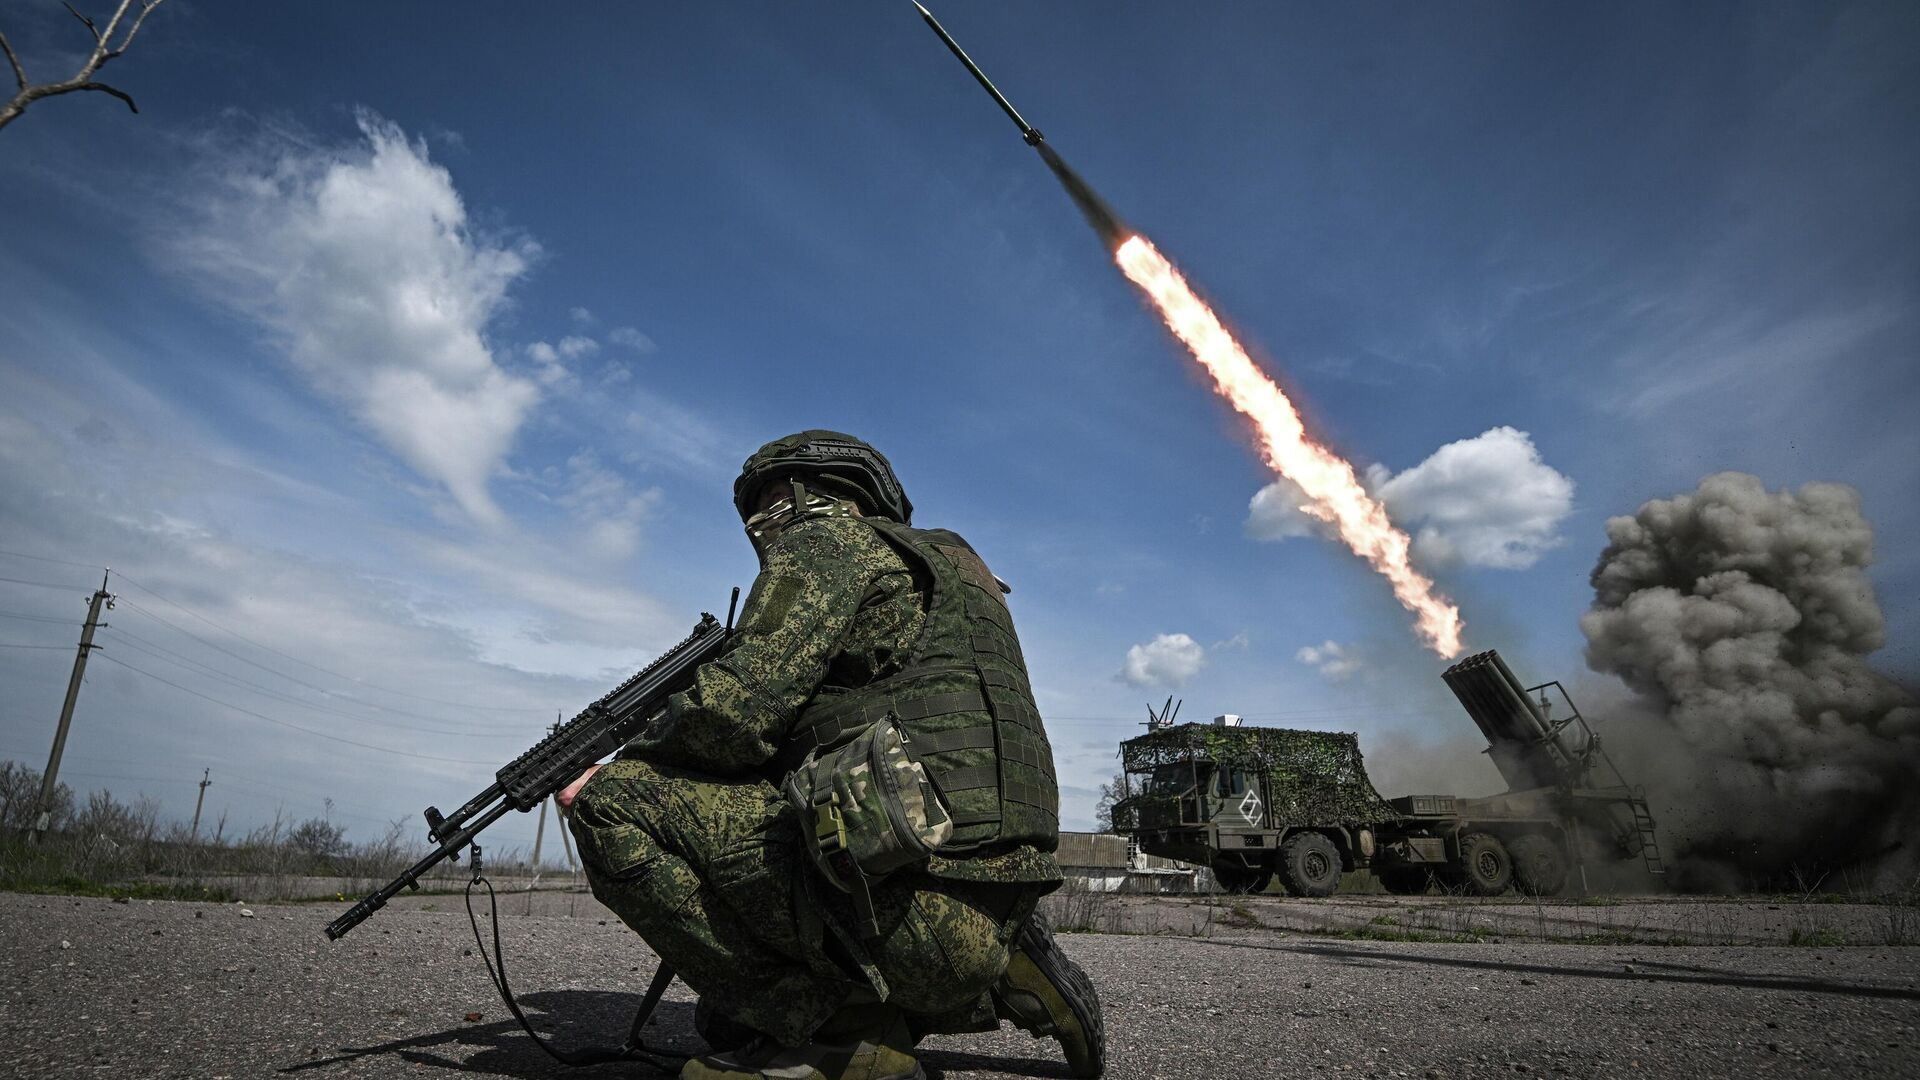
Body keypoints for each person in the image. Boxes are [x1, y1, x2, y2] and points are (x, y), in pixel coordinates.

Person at [560, 430, 1103, 1080]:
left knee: (610, 803)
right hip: (996, 896)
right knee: (724, 1022)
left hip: (909, 912)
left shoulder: (826, 543)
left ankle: (837, 1036)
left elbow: (733, 714)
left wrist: (621, 762)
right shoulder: (955, 575)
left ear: (808, 495)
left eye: (768, 501)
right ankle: (1004, 962)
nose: (760, 524)